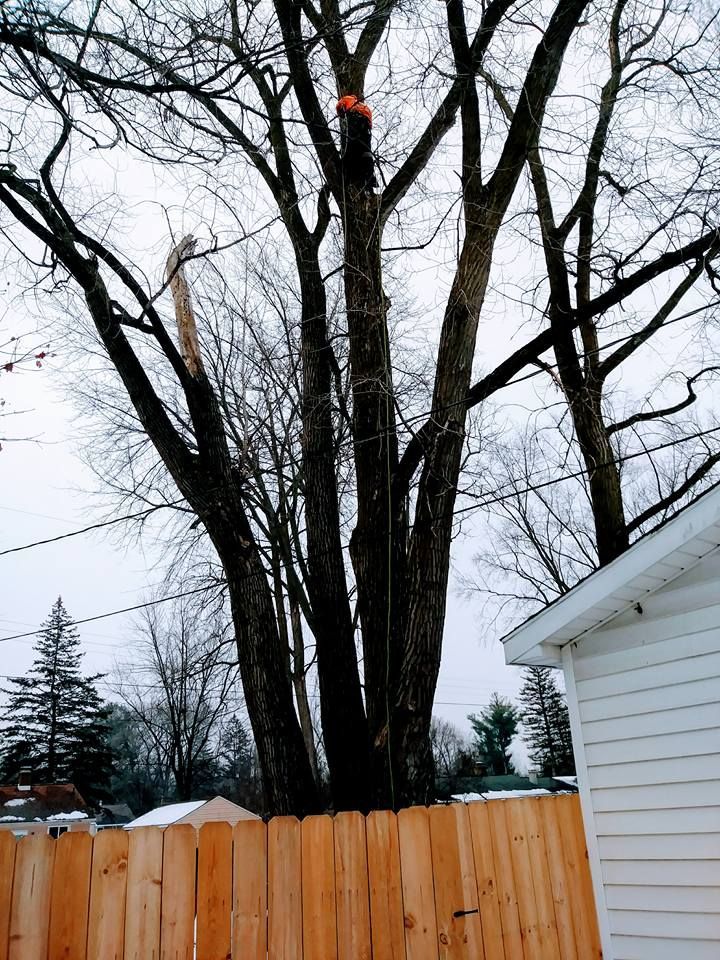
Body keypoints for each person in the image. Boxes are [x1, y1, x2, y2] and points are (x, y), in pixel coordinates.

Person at [336, 95, 377, 191]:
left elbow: (340, 106)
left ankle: (349, 171)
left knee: (353, 146)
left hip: (357, 120)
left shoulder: (346, 101)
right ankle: (369, 175)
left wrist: (342, 113)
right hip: (366, 127)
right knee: (365, 150)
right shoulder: (362, 106)